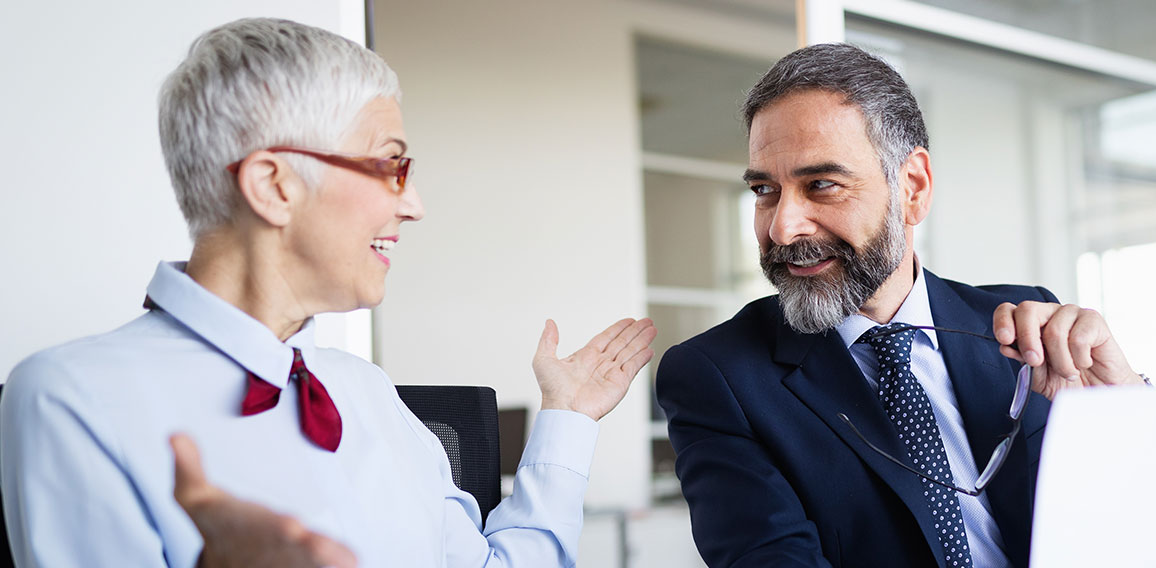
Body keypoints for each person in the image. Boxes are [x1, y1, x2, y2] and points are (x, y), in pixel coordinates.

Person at [0, 18, 656, 568]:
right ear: (275, 186)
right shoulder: (72, 397)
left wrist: (567, 419)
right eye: (391, 165)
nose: (416, 206)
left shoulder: (366, 391)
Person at [655, 43, 1145, 568]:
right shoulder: (718, 377)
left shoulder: (1030, 327)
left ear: (912, 188)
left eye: (821, 185)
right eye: (765, 190)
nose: (781, 226)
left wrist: (1127, 412)